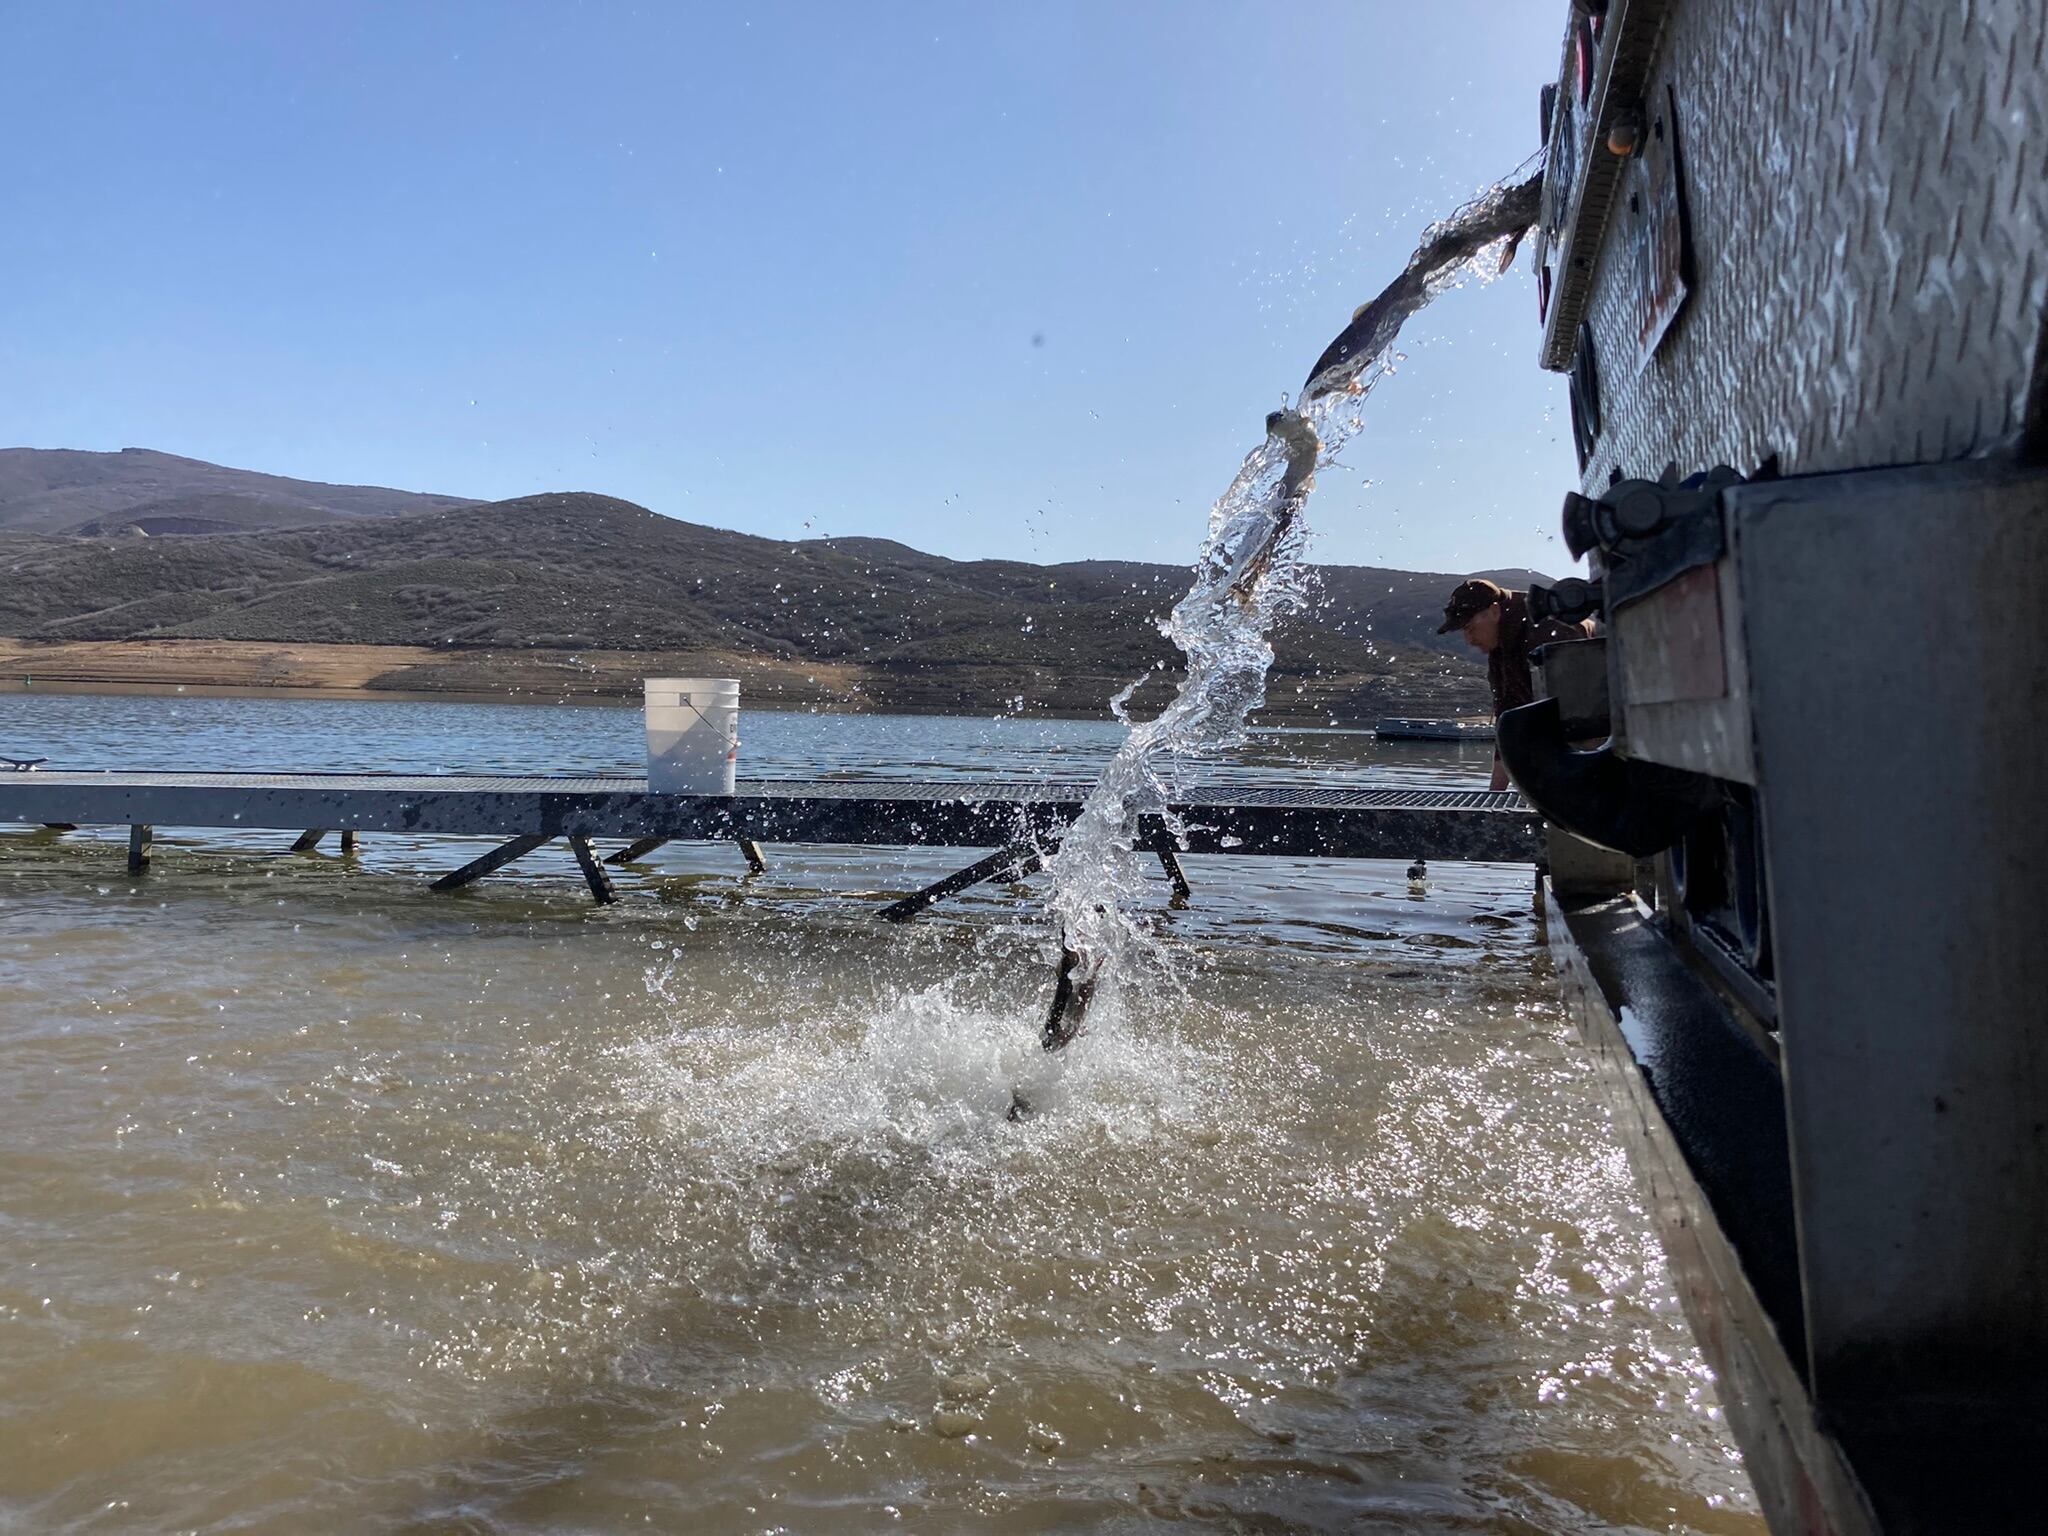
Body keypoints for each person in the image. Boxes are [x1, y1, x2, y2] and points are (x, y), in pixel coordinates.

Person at [1436, 578, 1594, 790]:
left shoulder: (1547, 629)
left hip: (1597, 727)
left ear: (1494, 611)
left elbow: (1582, 714)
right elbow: (1508, 722)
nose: (1468, 639)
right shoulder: (1500, 646)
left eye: (1470, 628)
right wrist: (1493, 797)